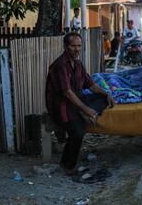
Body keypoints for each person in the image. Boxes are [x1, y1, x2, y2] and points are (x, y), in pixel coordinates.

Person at [46, 32, 115, 176]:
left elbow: (90, 84)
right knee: (78, 132)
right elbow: (67, 93)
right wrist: (86, 109)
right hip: (61, 107)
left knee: (102, 99)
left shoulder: (78, 64)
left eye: (79, 46)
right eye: (73, 46)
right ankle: (68, 166)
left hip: (76, 103)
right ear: (65, 47)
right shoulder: (60, 65)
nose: (77, 49)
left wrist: (106, 93)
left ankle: (82, 113)